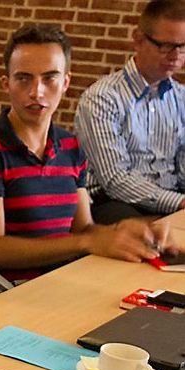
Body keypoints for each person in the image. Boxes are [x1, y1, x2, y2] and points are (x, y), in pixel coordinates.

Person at [0, 24, 174, 292]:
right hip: (9, 289)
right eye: (23, 78)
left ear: (65, 82)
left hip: (67, 278)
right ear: (6, 83)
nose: (37, 92)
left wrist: (132, 229)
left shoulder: (70, 147)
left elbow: (84, 229)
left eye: (49, 78)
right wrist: (84, 243)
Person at [75, 0, 185, 223]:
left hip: (171, 198)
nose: (175, 56)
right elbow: (115, 179)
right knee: (149, 239)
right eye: (165, 46)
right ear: (138, 40)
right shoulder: (102, 98)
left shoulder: (181, 96)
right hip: (115, 202)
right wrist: (179, 203)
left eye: (183, 47)